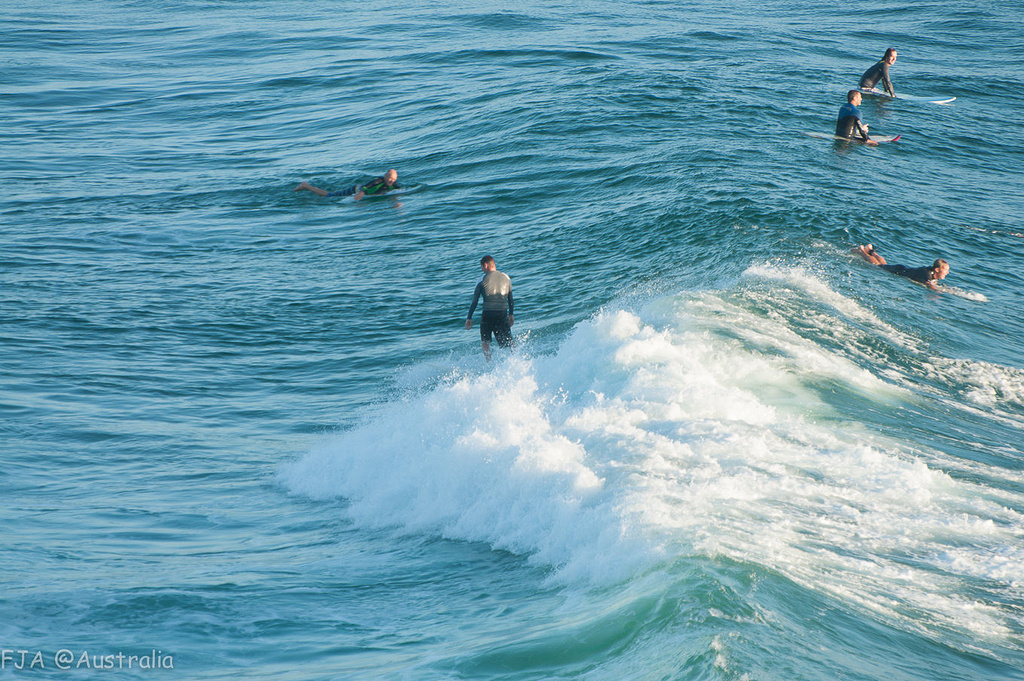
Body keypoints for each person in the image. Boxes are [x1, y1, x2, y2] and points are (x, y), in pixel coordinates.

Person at [465, 256, 514, 360]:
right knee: (508, 341)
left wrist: (469, 318)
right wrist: (511, 315)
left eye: (482, 267)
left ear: (486, 265)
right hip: (502, 313)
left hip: (488, 315)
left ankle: (489, 363)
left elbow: (475, 301)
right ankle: (516, 359)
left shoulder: (480, 280)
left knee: (485, 342)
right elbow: (510, 299)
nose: (482, 270)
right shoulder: (506, 278)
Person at [851, 244, 950, 290]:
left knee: (883, 265)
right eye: (945, 270)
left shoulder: (931, 273)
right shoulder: (927, 273)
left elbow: (931, 282)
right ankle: (861, 252)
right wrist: (937, 291)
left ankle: (870, 250)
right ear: (937, 270)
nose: (947, 273)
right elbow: (928, 284)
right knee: (878, 265)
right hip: (900, 270)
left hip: (902, 268)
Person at [294, 168, 399, 200]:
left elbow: (399, 190)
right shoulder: (378, 181)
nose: (391, 180)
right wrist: (361, 193)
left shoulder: (392, 184)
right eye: (389, 178)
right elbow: (367, 186)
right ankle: (306, 186)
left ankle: (313, 188)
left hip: (362, 193)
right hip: (355, 190)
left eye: (393, 179)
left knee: (330, 194)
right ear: (385, 176)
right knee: (328, 195)